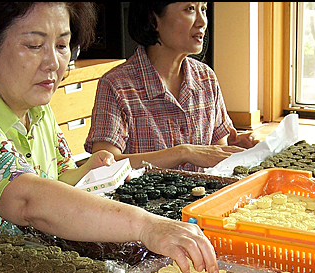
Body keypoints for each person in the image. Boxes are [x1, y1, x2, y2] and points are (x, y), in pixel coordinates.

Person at [0, 2, 219, 273]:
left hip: (13, 268)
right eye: (33, 45)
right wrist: (145, 226)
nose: (53, 63)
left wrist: (89, 170)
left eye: (62, 46)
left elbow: (58, 180)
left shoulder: (39, 111)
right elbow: (29, 199)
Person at [85, 1, 258, 172]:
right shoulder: (116, 85)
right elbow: (104, 165)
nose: (202, 21)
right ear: (153, 20)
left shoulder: (206, 78)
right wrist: (183, 153)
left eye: (203, 9)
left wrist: (236, 147)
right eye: (190, 9)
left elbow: (218, 153)